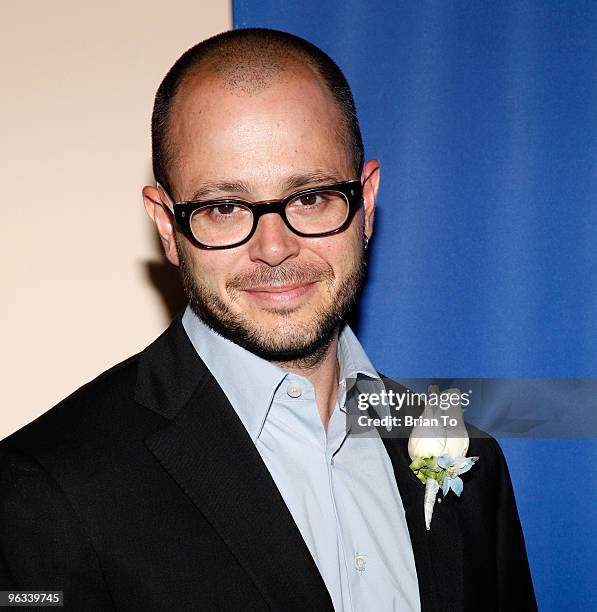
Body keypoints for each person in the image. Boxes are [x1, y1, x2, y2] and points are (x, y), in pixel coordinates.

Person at [0, 28, 537, 611]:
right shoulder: (48, 489)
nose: (275, 248)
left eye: (309, 196)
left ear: (366, 202)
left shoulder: (468, 459)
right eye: (225, 207)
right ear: (166, 225)